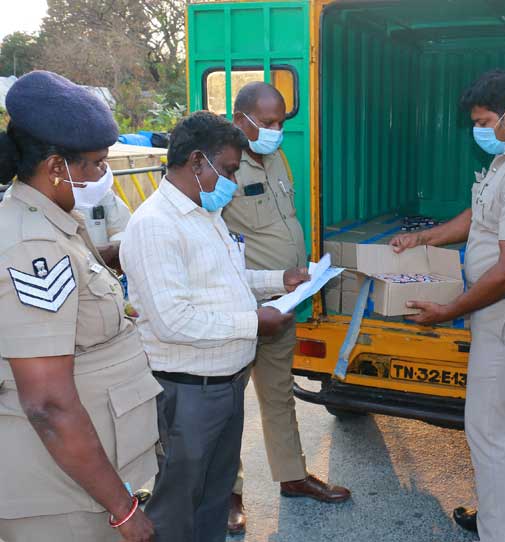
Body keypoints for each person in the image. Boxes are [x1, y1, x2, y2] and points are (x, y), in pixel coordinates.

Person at [390, 69, 505, 542]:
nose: (479, 130)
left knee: (489, 430)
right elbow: (482, 215)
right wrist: (425, 236)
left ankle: (497, 532)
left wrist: (447, 311)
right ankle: (500, 518)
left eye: (484, 120)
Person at [120, 111, 309, 542]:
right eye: (227, 170)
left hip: (223, 386)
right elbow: (173, 321)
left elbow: (227, 279)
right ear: (196, 162)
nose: (231, 181)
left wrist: (279, 280)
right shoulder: (155, 226)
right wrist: (255, 324)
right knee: (177, 505)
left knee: (213, 496)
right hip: (187, 392)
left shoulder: (206, 213)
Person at [0, 71, 157, 542]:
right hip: (59, 498)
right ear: (55, 167)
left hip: (86, 478)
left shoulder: (54, 223)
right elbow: (48, 402)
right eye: (94, 165)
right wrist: (123, 510)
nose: (101, 177)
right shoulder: (31, 246)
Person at [222, 82, 351, 534]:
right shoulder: (219, 167)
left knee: (278, 393)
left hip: (284, 300)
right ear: (242, 119)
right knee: (227, 405)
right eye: (269, 123)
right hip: (240, 306)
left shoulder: (276, 157)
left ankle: (292, 476)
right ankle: (229, 495)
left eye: (281, 122)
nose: (277, 131)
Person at [74, 173, 132, 272]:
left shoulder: (100, 191)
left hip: (105, 268)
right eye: (97, 162)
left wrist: (114, 247)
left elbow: (123, 229)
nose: (102, 167)